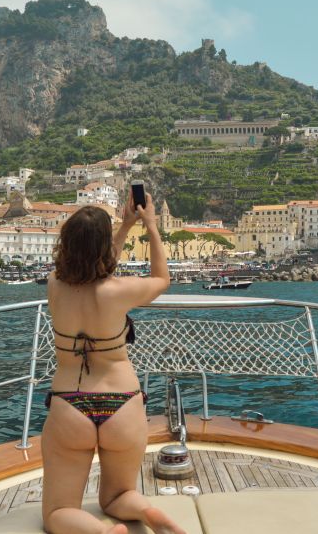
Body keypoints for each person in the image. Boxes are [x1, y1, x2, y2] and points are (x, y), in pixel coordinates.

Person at [43, 193, 186, 534]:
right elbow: (161, 279)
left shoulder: (54, 285)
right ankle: (151, 515)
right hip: (122, 403)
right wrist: (148, 226)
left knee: (58, 512)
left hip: (70, 404)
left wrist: (124, 226)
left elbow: (92, 268)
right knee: (119, 495)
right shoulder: (120, 290)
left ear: (66, 243)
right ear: (104, 247)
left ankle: (106, 533)